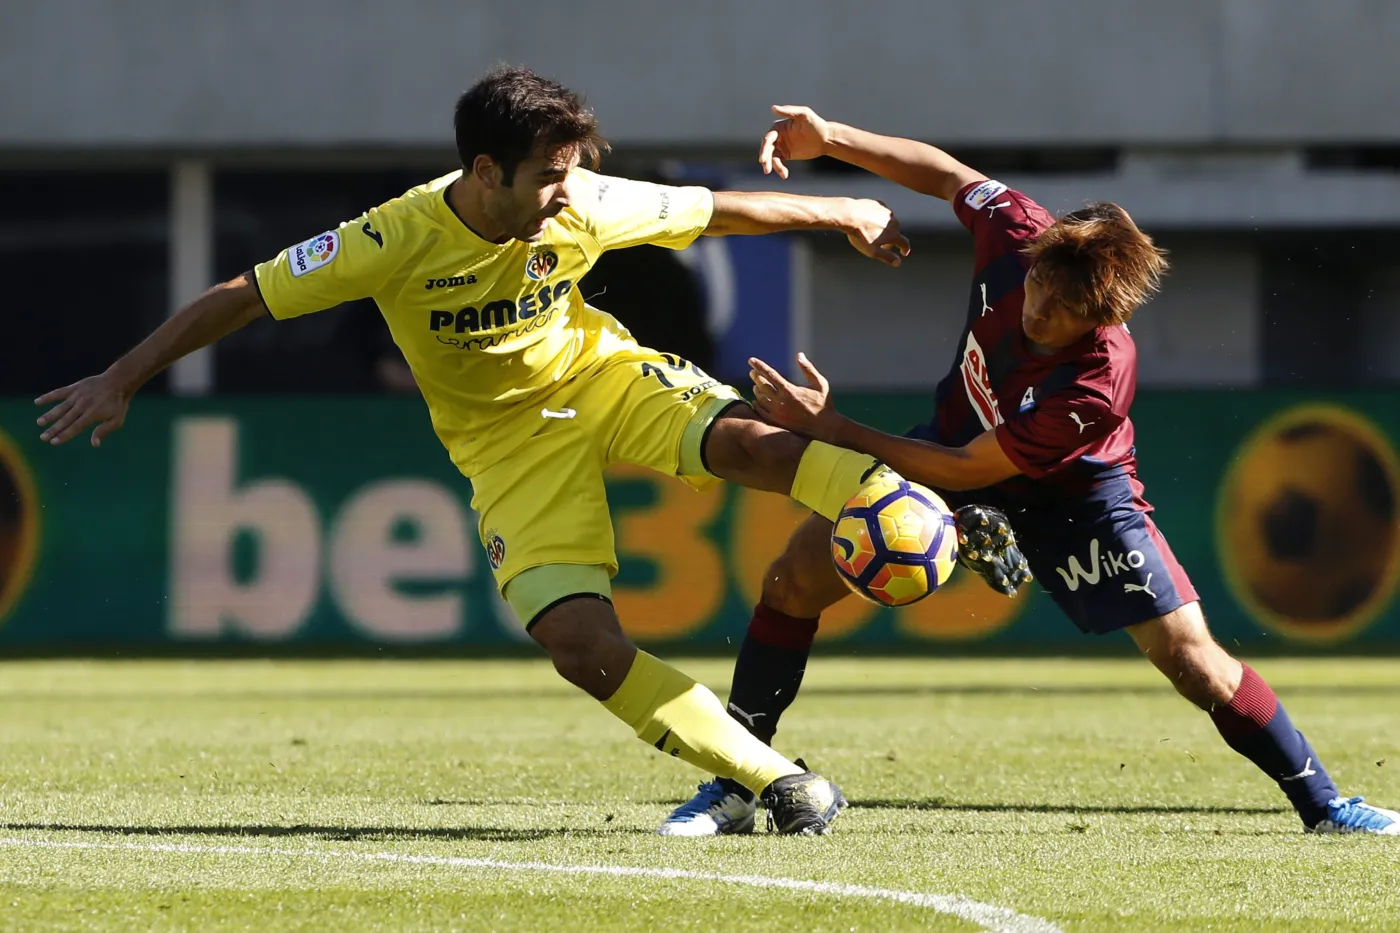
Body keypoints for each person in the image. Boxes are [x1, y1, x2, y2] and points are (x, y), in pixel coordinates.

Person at [32, 68, 1024, 836]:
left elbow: (717, 211)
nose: (564, 194)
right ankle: (774, 781)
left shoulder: (583, 203)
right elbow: (245, 294)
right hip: (505, 448)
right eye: (547, 177)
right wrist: (122, 376)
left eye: (570, 173)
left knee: (755, 445)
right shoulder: (392, 237)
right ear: (482, 173)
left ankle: (917, 510)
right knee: (579, 648)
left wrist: (842, 210)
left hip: (597, 376)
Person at [658, 104, 1400, 837]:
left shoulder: (1097, 379)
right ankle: (734, 784)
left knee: (1194, 661)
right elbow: (946, 173)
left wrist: (831, 427)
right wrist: (832, 139)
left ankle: (1327, 805)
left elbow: (967, 466)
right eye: (1040, 287)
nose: (1038, 310)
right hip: (948, 449)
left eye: (1062, 309)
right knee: (792, 577)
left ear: (1102, 315)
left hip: (1072, 495)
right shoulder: (1020, 232)